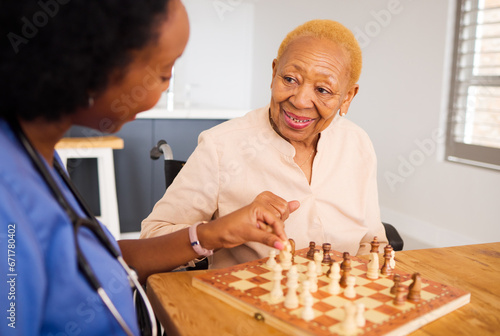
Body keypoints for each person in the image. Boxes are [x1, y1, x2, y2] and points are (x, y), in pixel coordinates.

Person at [0, 1, 298, 334]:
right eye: (163, 72)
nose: (166, 87)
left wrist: (214, 233)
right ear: (90, 60)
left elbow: (104, 261)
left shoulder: (36, 154)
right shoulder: (7, 204)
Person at [141, 19, 388, 268]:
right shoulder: (220, 146)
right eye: (290, 79)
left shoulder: (358, 143)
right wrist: (220, 230)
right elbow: (152, 237)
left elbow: (372, 240)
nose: (300, 100)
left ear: (347, 97)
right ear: (273, 73)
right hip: (246, 302)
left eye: (323, 90)